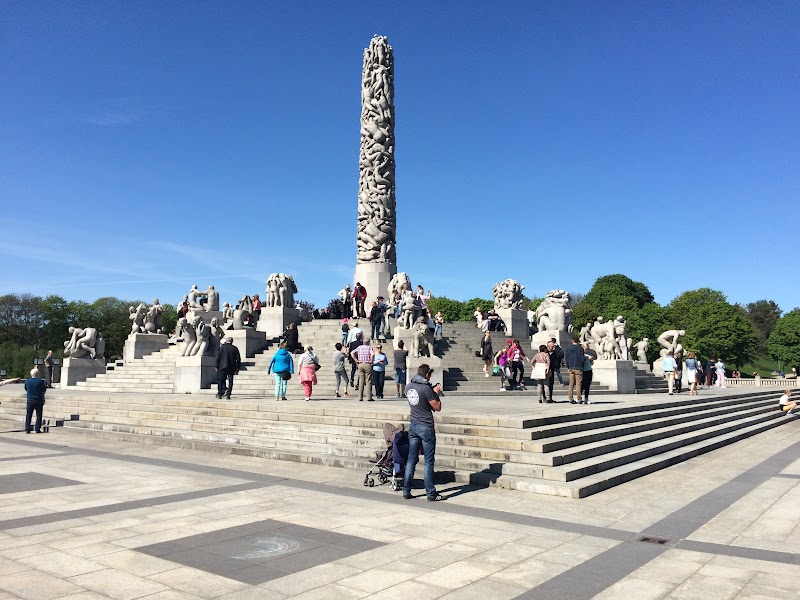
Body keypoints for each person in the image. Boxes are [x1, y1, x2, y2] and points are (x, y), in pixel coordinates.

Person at [402, 364, 444, 501]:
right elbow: (437, 407)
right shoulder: (426, 388)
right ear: (426, 375)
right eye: (429, 375)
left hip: (413, 425)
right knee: (428, 461)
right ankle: (430, 493)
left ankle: (406, 490)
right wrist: (436, 392)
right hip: (425, 426)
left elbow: (419, 401)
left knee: (411, 460)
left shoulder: (408, 386)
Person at [24, 368, 46, 434]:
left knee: (28, 415)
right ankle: (37, 429)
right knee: (39, 415)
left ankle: (27, 429)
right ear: (37, 374)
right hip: (38, 399)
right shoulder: (40, 381)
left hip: (30, 399)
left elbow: (26, 389)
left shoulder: (27, 381)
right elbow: (44, 389)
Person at [564, 336, 585, 404]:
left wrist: (568, 366)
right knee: (578, 384)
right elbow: (582, 358)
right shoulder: (580, 348)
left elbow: (566, 358)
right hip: (578, 367)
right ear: (578, 341)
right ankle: (579, 398)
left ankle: (570, 398)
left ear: (572, 341)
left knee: (571, 383)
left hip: (571, 367)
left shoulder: (568, 348)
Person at [354, 337, 374, 401]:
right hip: (367, 363)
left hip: (360, 364)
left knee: (361, 381)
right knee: (368, 381)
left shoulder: (359, 347)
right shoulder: (369, 347)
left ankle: (360, 397)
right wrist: (371, 360)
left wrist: (356, 360)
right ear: (368, 342)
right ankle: (369, 397)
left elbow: (352, 353)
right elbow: (372, 354)